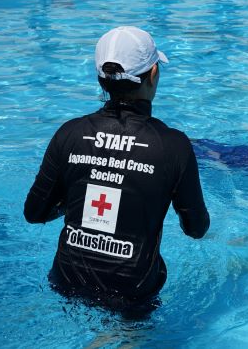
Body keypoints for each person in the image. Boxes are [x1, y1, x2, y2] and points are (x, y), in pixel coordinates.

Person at [24, 26, 210, 308]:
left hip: (65, 281)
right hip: (131, 295)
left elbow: (34, 213)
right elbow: (196, 228)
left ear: (101, 79)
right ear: (153, 74)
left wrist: (75, 201)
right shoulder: (172, 146)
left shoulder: (69, 133)